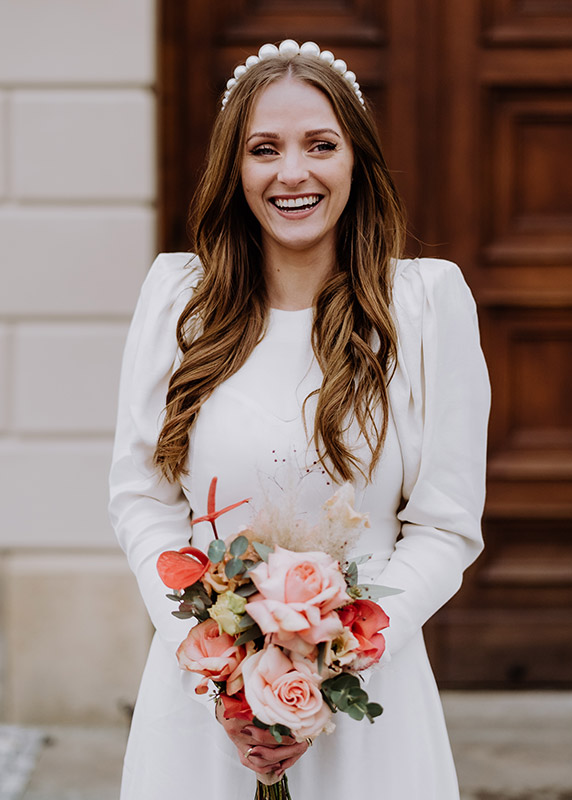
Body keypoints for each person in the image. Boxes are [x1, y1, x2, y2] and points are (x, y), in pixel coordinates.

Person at [109, 40, 489, 797]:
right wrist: (224, 657)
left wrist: (328, 658)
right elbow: (143, 499)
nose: (293, 173)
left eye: (321, 145)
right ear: (235, 168)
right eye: (264, 149)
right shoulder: (177, 299)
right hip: (203, 704)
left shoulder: (423, 305)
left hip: (368, 703)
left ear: (356, 161)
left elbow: (446, 525)